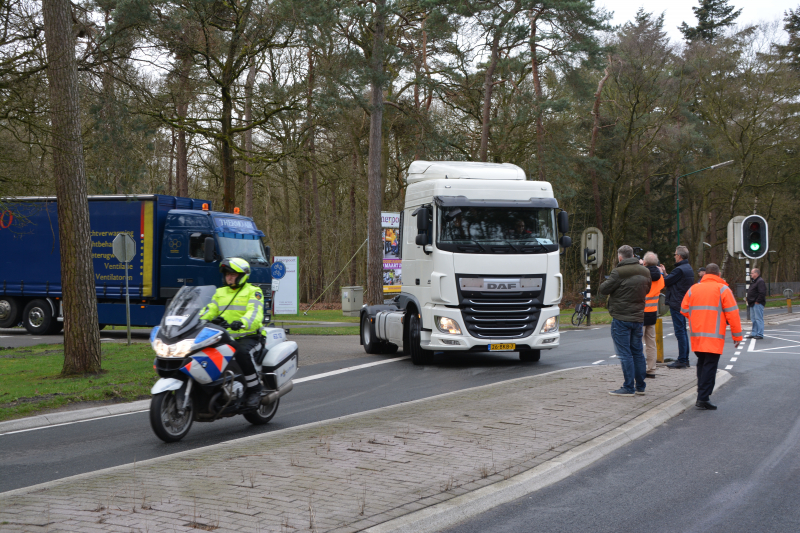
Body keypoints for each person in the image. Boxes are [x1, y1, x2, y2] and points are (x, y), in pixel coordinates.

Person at [201, 257, 265, 409]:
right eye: (227, 273)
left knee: (241, 352)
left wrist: (242, 323)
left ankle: (254, 390)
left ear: (243, 275)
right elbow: (209, 310)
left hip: (248, 336)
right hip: (224, 337)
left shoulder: (254, 291)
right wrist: (196, 319)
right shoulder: (220, 292)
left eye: (233, 274)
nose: (229, 277)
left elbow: (255, 313)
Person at [680, 263, 742, 409]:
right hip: (714, 334)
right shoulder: (723, 289)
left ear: (705, 274)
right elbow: (733, 314)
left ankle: (701, 393)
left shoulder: (693, 289)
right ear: (718, 274)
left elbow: (683, 309)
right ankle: (703, 398)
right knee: (710, 365)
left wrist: (696, 318)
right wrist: (737, 336)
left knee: (702, 362)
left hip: (697, 334)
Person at [599, 245, 652, 397]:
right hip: (638, 317)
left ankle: (628, 387)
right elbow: (647, 290)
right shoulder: (645, 271)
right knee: (637, 352)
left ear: (620, 257)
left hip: (621, 317)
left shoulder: (618, 272)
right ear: (633, 255)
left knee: (625, 354)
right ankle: (640, 386)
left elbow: (604, 289)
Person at [659, 246, 694, 369]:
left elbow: (665, 282)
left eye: (675, 254)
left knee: (680, 332)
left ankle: (682, 360)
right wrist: (665, 273)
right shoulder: (687, 268)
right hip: (683, 303)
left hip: (677, 303)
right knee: (683, 332)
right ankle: (685, 359)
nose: (674, 256)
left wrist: (660, 273)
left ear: (679, 256)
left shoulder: (679, 270)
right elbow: (672, 280)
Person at [642, 252, 664, 379]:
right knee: (651, 344)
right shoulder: (660, 278)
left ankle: (638, 368)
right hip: (652, 313)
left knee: (637, 343)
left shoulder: (641, 275)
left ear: (644, 263)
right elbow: (662, 283)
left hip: (640, 313)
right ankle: (651, 370)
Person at [747, 267, 766, 339]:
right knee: (754, 319)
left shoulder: (760, 281)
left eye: (752, 273)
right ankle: (754, 333)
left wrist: (758, 301)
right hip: (752, 303)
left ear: (756, 273)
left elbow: (762, 292)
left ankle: (760, 334)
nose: (751, 274)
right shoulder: (754, 281)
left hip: (757, 303)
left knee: (758, 319)